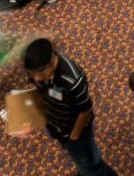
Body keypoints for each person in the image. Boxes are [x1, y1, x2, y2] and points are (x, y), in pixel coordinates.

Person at [21, 38, 115, 176]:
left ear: (51, 61)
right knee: (82, 162)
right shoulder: (37, 70)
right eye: (32, 73)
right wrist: (31, 119)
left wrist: (74, 137)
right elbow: (41, 93)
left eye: (40, 73)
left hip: (75, 131)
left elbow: (86, 109)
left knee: (92, 167)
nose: (36, 79)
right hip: (57, 126)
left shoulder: (72, 80)